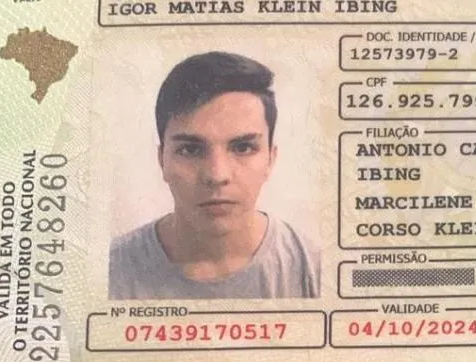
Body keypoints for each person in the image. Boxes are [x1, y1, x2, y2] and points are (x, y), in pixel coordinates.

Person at [109, 51, 320, 300]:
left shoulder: (313, 270)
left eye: (243, 148)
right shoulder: (109, 272)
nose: (217, 175)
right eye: (190, 150)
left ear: (270, 159)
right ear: (162, 160)